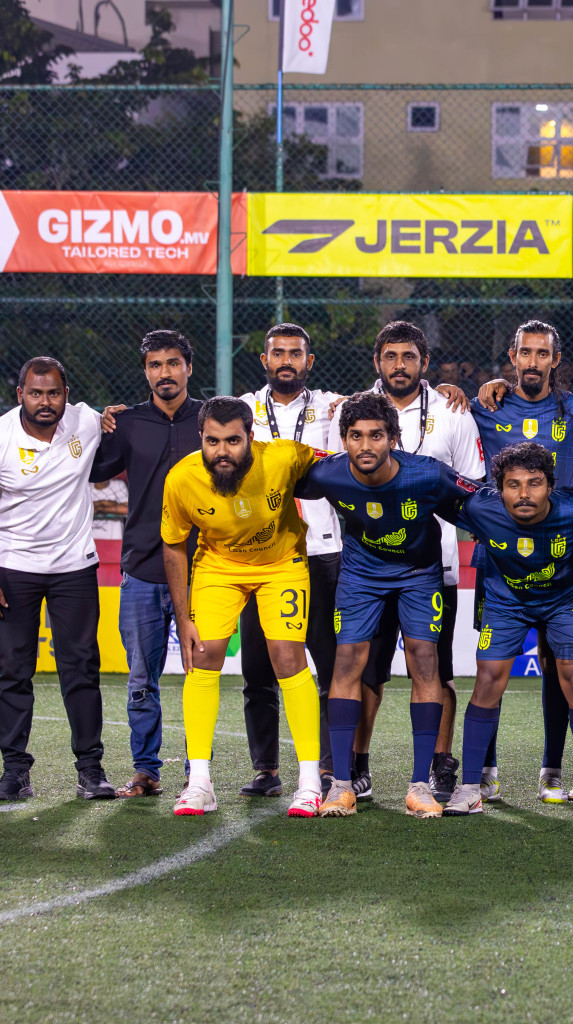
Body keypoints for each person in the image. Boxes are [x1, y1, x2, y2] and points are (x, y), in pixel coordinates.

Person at [296, 391, 477, 819]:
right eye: (355, 436)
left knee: (424, 662)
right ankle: (341, 785)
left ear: (394, 439)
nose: (365, 446)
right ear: (343, 440)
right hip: (360, 575)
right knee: (346, 665)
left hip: (419, 575)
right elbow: (279, 478)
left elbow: (477, 503)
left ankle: (418, 786)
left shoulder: (428, 475)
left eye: (376, 435)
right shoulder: (330, 474)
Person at [0, 357, 115, 802]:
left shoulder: (85, 421)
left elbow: (117, 423)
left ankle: (91, 769)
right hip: (10, 570)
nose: (45, 402)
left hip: (74, 569)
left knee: (81, 669)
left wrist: (112, 417)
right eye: (35, 393)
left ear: (67, 393)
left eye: (54, 393)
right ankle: (14, 773)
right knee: (11, 672)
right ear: (20, 394)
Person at [161, 396, 325, 817]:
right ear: (201, 438)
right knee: (202, 657)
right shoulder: (182, 479)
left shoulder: (285, 456)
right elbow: (174, 546)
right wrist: (184, 619)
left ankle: (309, 783)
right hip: (219, 566)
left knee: (288, 657)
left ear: (251, 437)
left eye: (233, 440)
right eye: (212, 441)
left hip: (281, 563)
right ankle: (199, 783)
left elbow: (340, 465)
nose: (222, 451)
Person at [444, 442, 573, 818]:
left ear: (550, 486)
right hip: (507, 601)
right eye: (513, 484)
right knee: (488, 678)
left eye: (534, 483)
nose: (524, 493)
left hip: (566, 600)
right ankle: (471, 786)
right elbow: (435, 489)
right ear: (498, 488)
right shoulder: (479, 508)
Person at [471, 320, 573, 804]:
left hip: (561, 561)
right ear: (512, 355)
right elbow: (435, 408)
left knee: (560, 667)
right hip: (500, 561)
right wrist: (446, 388)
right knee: (492, 669)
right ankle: (485, 770)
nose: (532, 362)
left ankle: (553, 768)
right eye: (525, 353)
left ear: (555, 360)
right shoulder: (488, 406)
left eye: (542, 354)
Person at [357, 321, 478, 804]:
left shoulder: (453, 411)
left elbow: (472, 485)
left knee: (435, 668)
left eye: (409, 356)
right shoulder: (351, 411)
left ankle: (439, 763)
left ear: (424, 363)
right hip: (367, 566)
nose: (399, 366)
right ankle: (355, 764)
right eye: (390, 356)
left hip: (434, 566)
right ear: (377, 362)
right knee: (367, 670)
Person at [89, 330, 204, 798]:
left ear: (188, 368)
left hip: (204, 567)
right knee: (142, 677)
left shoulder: (212, 418)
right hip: (140, 567)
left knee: (204, 674)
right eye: (154, 365)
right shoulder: (129, 423)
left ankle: (199, 773)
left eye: (172, 363)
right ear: (146, 373)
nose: (164, 373)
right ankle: (146, 770)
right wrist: (95, 425)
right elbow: (91, 470)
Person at [236, 324, 343, 799]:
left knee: (329, 664)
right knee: (258, 669)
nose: (286, 361)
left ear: (309, 361)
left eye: (295, 354)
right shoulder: (242, 409)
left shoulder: (334, 407)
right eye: (277, 352)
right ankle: (266, 769)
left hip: (323, 552)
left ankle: (326, 765)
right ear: (264, 359)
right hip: (260, 556)